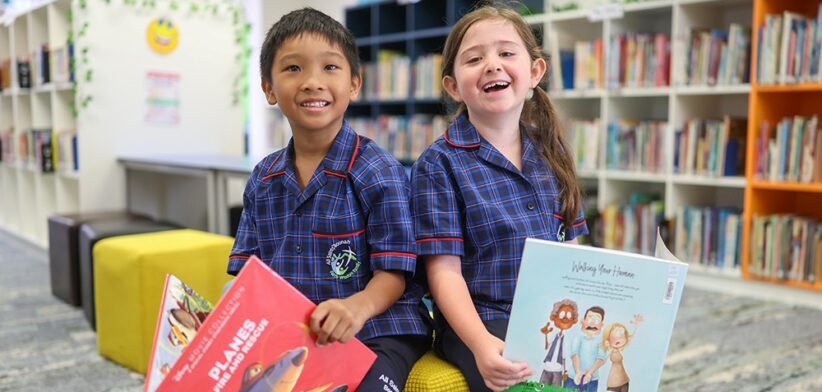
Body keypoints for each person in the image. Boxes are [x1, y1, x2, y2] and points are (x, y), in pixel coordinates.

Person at [228, 8, 432, 392]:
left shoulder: (377, 170)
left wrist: (356, 307)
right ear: (269, 89)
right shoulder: (263, 179)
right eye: (292, 69)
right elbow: (248, 275)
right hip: (297, 332)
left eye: (329, 68)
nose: (312, 82)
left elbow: (396, 273)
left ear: (354, 84)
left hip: (379, 329)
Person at [410, 4, 589, 391]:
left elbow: (572, 246)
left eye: (507, 53)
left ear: (534, 72)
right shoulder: (438, 164)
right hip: (482, 319)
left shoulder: (551, 149)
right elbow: (444, 273)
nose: (492, 65)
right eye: (474, 59)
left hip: (553, 312)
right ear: (454, 86)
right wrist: (480, 344)